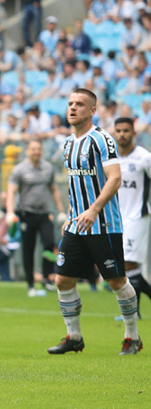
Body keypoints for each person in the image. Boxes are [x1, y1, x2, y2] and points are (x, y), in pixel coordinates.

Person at [48, 88, 141, 355]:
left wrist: (93, 209)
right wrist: (71, 213)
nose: (72, 108)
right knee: (62, 280)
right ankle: (74, 337)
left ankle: (131, 336)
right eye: (70, 103)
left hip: (104, 225)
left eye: (79, 104)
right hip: (77, 225)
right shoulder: (67, 144)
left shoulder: (102, 140)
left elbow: (114, 178)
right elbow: (74, 183)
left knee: (116, 282)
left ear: (92, 111)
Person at [6, 139, 67, 297]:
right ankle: (30, 284)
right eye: (33, 149)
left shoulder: (48, 168)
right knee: (29, 248)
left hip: (44, 213)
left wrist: (61, 210)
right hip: (26, 213)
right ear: (27, 151)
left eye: (39, 149)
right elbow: (11, 191)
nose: (36, 152)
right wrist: (10, 212)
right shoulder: (19, 169)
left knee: (49, 243)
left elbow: (54, 190)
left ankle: (46, 278)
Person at [113, 118, 151, 317]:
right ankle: (134, 311)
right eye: (118, 131)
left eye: (126, 131)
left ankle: (133, 312)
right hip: (118, 219)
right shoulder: (112, 160)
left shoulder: (144, 158)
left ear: (134, 133)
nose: (122, 134)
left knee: (129, 263)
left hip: (138, 217)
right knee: (126, 265)